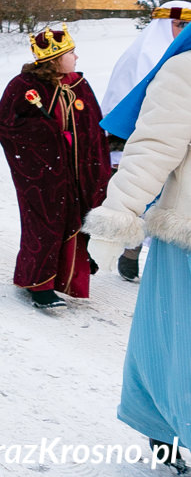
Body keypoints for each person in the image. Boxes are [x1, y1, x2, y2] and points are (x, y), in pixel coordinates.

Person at [84, 24, 191, 472]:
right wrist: (117, 219)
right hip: (187, 243)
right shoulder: (185, 72)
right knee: (174, 348)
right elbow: (148, 152)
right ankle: (164, 428)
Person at [0, 25, 111, 309]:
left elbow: (94, 127)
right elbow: (6, 124)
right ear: (55, 58)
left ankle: (68, 275)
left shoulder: (78, 85)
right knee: (45, 223)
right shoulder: (24, 86)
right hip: (43, 173)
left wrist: (91, 157)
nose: (77, 57)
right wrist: (50, 138)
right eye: (72, 53)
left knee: (79, 218)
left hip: (77, 171)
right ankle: (40, 283)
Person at [98, 0, 191, 281]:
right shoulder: (156, 60)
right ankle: (130, 252)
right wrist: (115, 217)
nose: (183, 29)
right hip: (139, 149)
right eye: (179, 24)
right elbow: (152, 141)